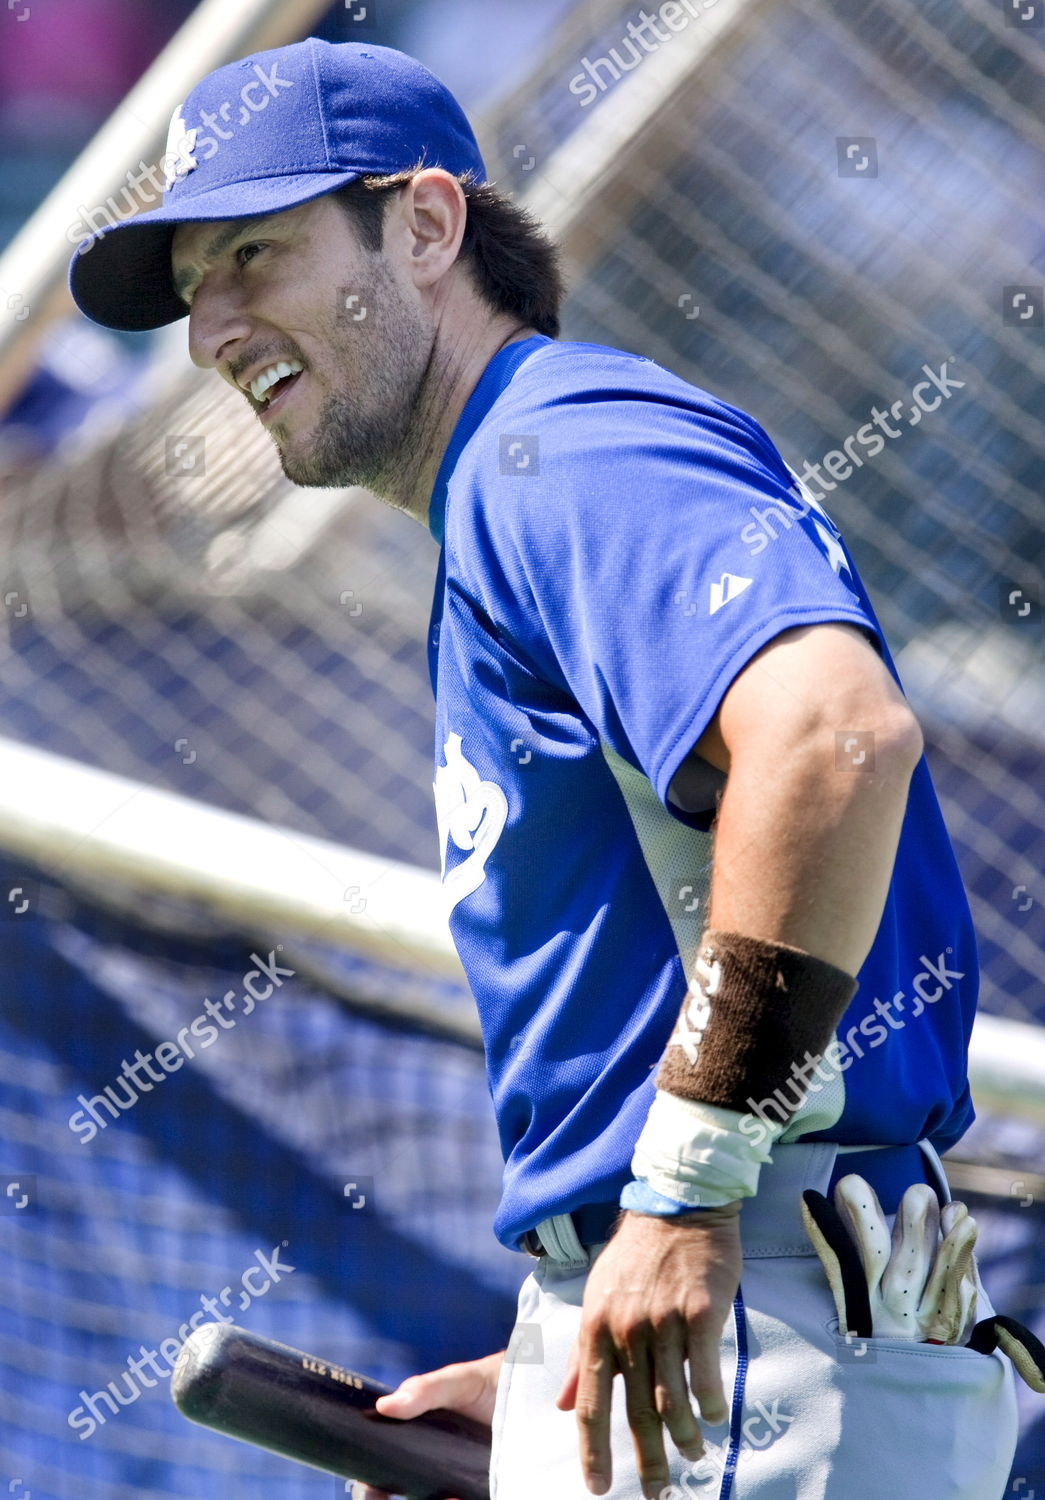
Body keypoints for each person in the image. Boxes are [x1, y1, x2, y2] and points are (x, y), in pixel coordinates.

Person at [69, 38, 1020, 1500]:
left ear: (431, 226)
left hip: (759, 1339)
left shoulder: (556, 449)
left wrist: (683, 1197)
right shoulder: (514, 485)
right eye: (195, 285)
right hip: (722, 1345)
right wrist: (550, 1359)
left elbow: (836, 735)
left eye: (256, 252)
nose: (212, 325)